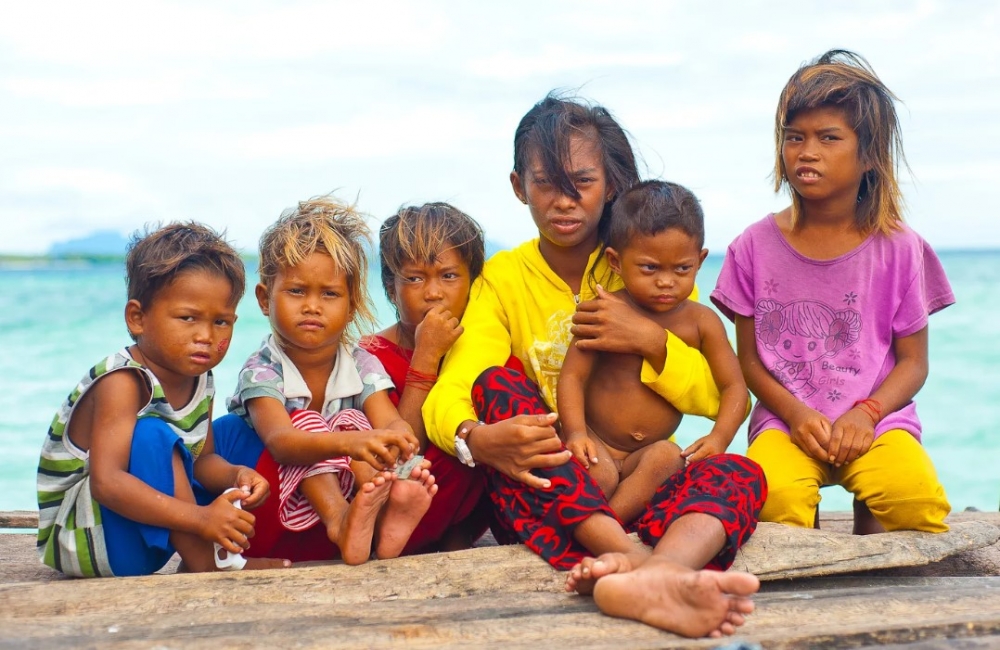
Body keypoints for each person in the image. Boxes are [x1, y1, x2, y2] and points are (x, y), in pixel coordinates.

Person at [422, 93, 766, 638]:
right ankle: (638, 564)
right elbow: (459, 384)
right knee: (497, 385)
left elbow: (710, 394)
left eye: (582, 182)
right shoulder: (503, 281)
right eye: (546, 184)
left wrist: (653, 341)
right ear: (519, 187)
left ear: (608, 184)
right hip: (556, 494)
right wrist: (473, 437)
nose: (565, 201)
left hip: (640, 489)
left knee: (742, 472)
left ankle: (650, 575)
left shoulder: (649, 263)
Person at [711, 49, 953, 536]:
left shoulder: (901, 248)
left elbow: (914, 363)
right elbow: (751, 362)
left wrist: (867, 414)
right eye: (794, 137)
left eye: (828, 138)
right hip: (787, 422)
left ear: (868, 156)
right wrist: (797, 415)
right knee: (774, 503)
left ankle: (870, 538)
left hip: (877, 423)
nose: (807, 151)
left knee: (914, 503)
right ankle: (811, 549)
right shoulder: (752, 247)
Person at [37, 222, 291, 577]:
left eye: (221, 322)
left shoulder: (200, 377)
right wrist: (201, 518)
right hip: (92, 540)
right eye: (188, 318)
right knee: (153, 434)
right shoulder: (123, 381)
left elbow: (202, 461)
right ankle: (207, 562)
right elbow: (106, 483)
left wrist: (238, 474)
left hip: (147, 530)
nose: (205, 335)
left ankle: (226, 548)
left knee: (241, 428)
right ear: (137, 318)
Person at [216, 195, 436, 566]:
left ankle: (382, 515)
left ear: (351, 307)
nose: (312, 306)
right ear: (264, 298)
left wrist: (400, 449)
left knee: (360, 424)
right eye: (297, 291)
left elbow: (388, 421)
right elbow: (283, 444)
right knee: (310, 424)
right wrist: (355, 443)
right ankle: (341, 522)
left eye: (329, 294)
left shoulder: (361, 363)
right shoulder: (263, 369)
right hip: (266, 504)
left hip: (323, 511)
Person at [558, 180, 749, 525]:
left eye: (682, 269)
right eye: (649, 268)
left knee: (669, 458)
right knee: (598, 476)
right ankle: (599, 530)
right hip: (597, 440)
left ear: (700, 260)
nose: (666, 281)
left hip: (646, 453)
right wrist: (575, 433)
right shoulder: (604, 311)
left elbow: (735, 389)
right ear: (615, 261)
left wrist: (719, 438)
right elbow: (572, 375)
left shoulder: (702, 323)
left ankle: (606, 528)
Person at [359, 202, 493, 552]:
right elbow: (398, 457)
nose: (433, 293)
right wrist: (426, 357)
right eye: (415, 278)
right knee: (456, 447)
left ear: (473, 284)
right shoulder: (368, 356)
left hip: (460, 517)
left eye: (449, 276)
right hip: (396, 513)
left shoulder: (485, 346)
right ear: (390, 288)